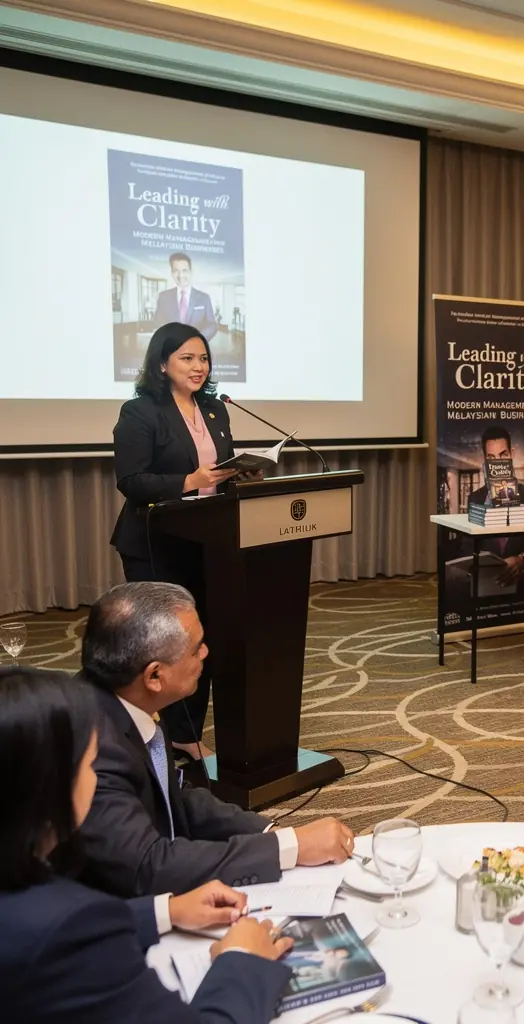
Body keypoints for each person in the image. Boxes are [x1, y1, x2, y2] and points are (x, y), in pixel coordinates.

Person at [0, 666, 294, 1023]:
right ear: (50, 786)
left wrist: (164, 912)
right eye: (90, 765)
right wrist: (241, 961)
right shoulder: (73, 924)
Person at [77, 581, 356, 898]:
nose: (206, 652)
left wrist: (271, 833)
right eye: (196, 648)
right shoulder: (93, 747)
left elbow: (174, 795)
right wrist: (287, 848)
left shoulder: (128, 696)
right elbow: (148, 867)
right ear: (154, 676)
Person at [111, 322, 243, 757]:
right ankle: (158, 733)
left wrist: (240, 473)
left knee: (200, 641)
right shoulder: (140, 412)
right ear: (162, 363)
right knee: (164, 646)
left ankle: (186, 734)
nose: (198, 366)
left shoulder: (214, 410)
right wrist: (190, 479)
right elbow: (131, 480)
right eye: (187, 358)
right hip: (156, 543)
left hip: (207, 540)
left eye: (203, 357)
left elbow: (219, 470)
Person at [464, 423, 524, 589]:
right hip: (487, 581)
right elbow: (468, 543)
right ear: (485, 460)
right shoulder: (475, 498)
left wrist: (523, 559)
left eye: (503, 455)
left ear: (512, 454)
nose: (498, 463)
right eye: (492, 458)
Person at [152, 252, 220, 339]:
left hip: (197, 348)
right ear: (172, 273)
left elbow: (212, 325)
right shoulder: (163, 297)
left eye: (184, 270)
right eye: (176, 271)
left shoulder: (204, 298)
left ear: (191, 272)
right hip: (171, 348)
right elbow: (157, 323)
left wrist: (198, 338)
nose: (181, 275)